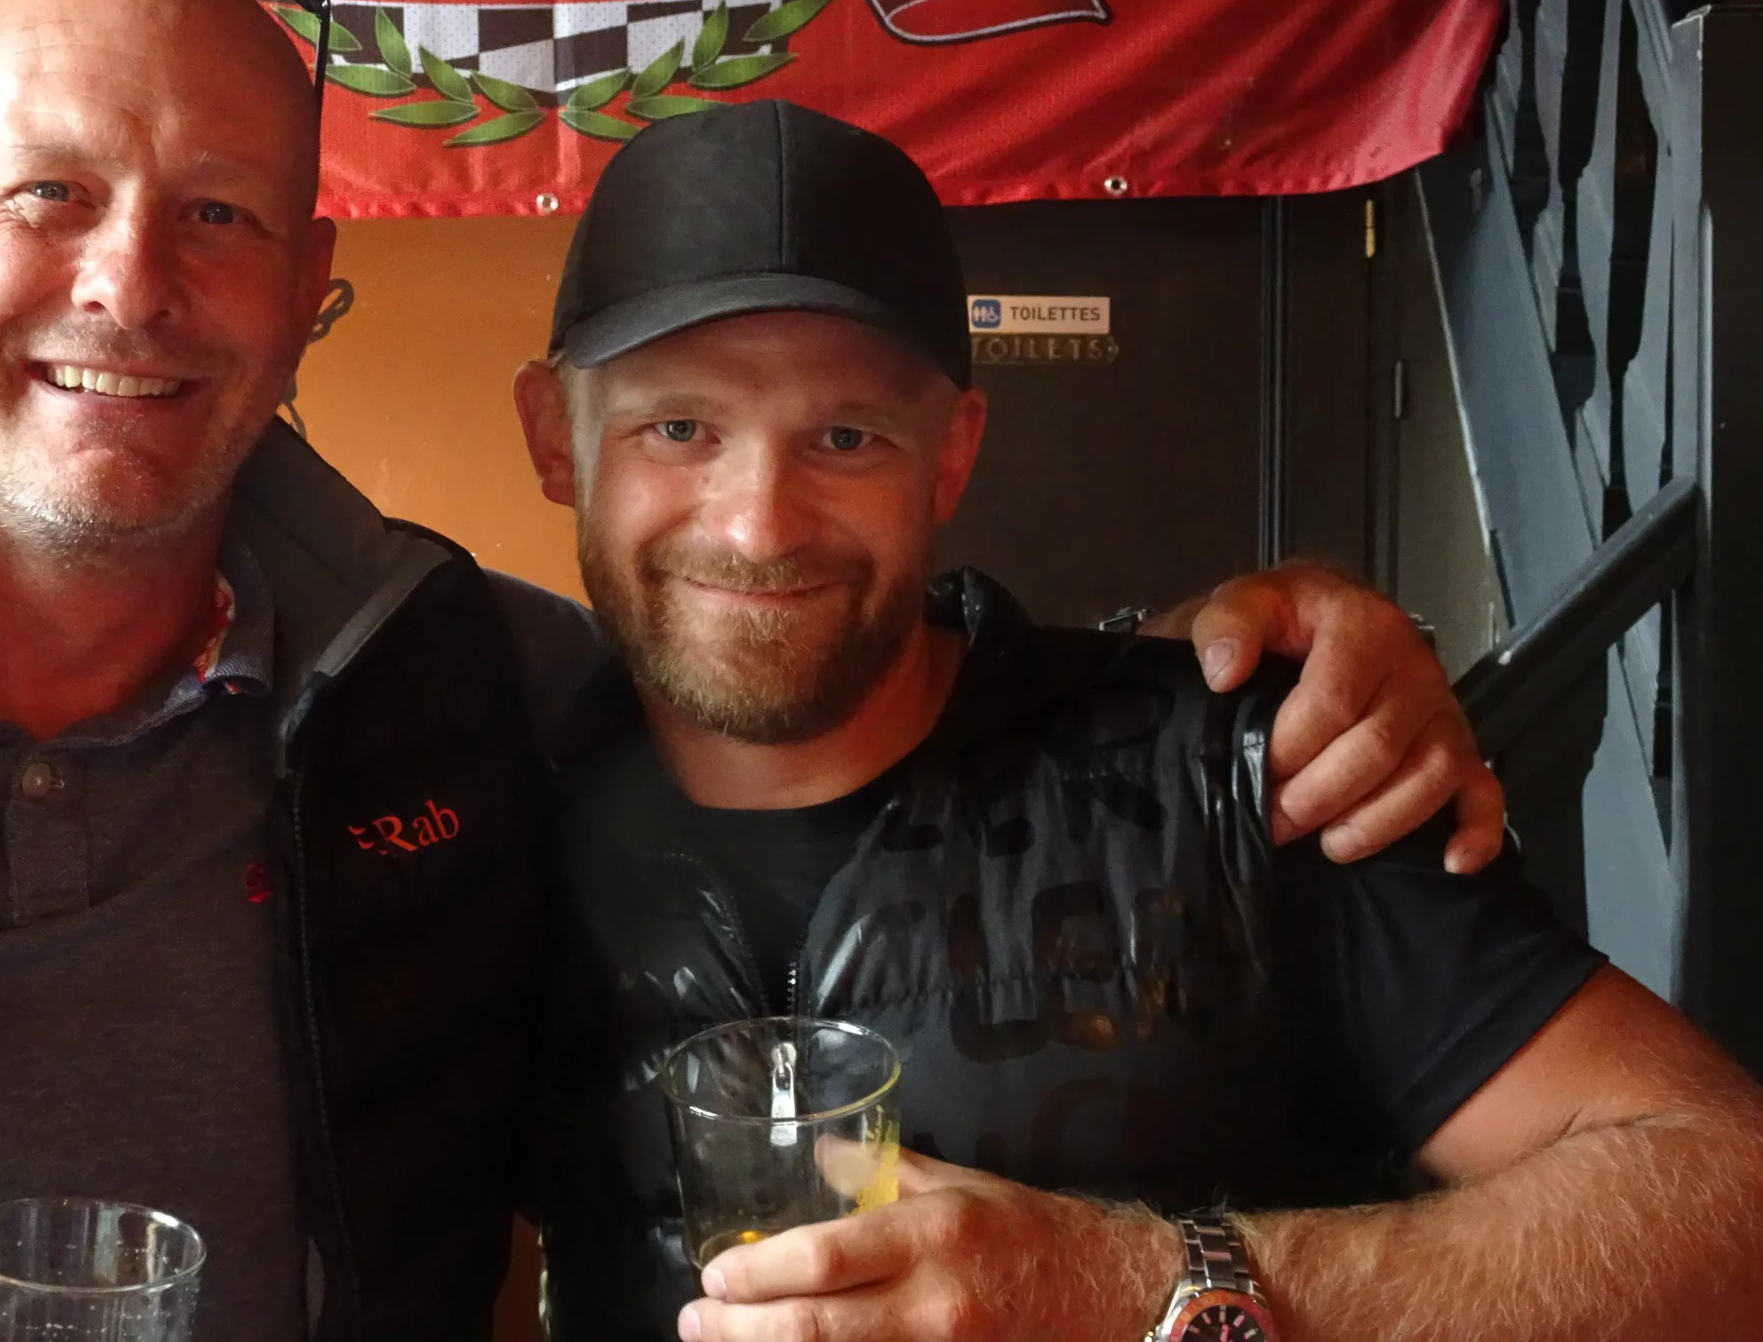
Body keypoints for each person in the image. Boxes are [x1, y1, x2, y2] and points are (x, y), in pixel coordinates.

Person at [0, 0, 1488, 1342]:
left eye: (217, 214)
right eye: (46, 191)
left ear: (308, 295)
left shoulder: (461, 698)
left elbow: (808, 661)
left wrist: (1237, 654)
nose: (132, 280)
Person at [508, 101, 1763, 1341]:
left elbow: (1730, 1204)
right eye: (678, 429)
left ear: (950, 457)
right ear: (553, 439)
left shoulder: (1244, 771)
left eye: (847, 436)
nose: (759, 524)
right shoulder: (480, 805)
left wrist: (1148, 1287)